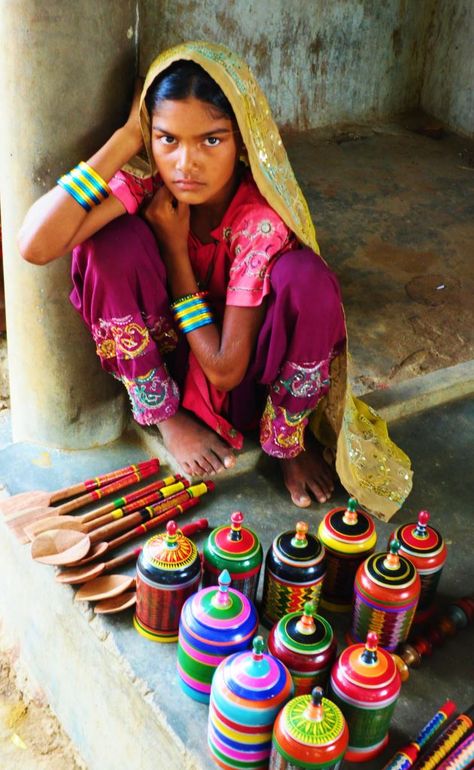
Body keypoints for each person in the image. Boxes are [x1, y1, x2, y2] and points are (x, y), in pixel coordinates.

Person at [18, 41, 412, 519]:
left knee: (310, 281)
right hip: (167, 365)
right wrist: (126, 138)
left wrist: (173, 249)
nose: (187, 164)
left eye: (211, 140)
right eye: (167, 139)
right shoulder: (150, 182)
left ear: (242, 140)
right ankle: (164, 416)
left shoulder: (257, 220)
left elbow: (226, 369)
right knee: (105, 244)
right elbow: (36, 245)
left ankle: (286, 440)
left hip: (243, 377)